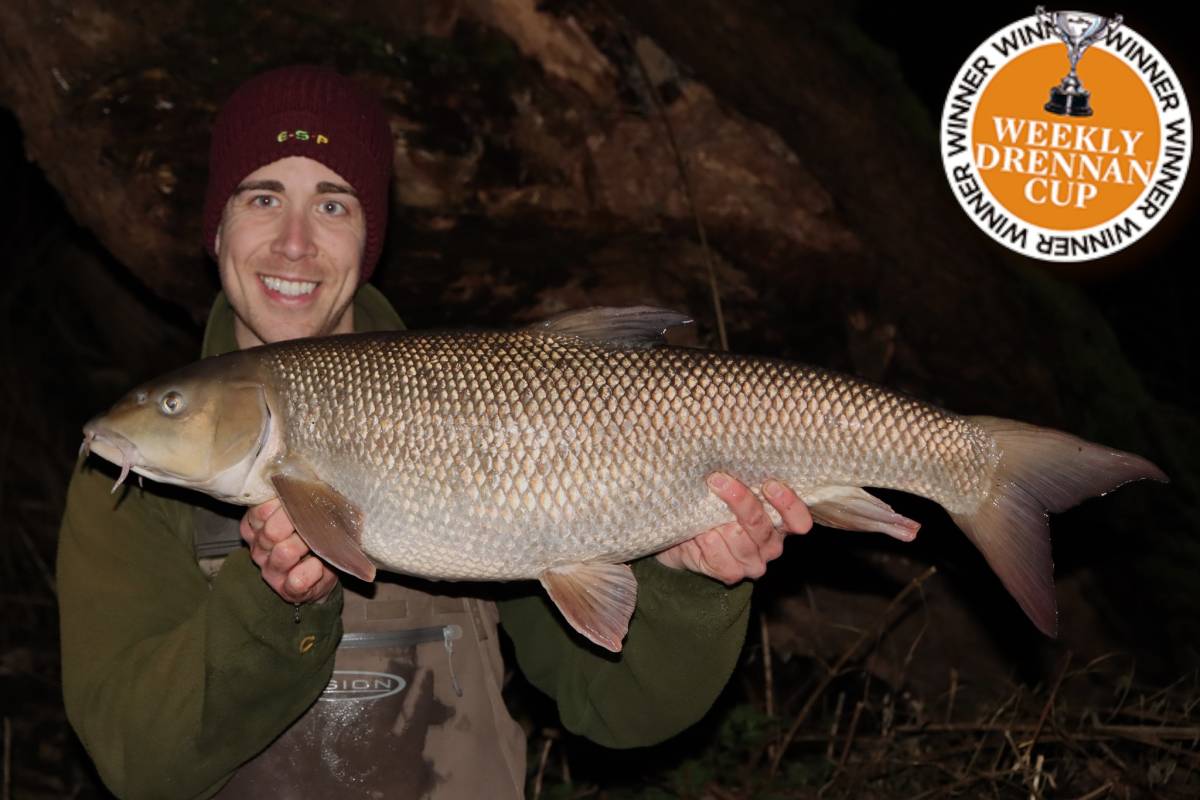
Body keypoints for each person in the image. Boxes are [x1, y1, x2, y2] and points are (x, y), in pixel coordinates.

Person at [57, 65, 813, 799]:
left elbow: (621, 710)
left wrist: (689, 588)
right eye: (262, 198)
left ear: (369, 237)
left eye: (332, 204)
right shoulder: (131, 493)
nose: (294, 242)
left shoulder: (472, 401)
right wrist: (270, 604)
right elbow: (136, 764)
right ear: (216, 227)